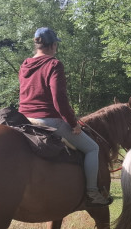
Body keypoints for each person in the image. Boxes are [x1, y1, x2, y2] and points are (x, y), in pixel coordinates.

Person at [19, 27, 110, 207]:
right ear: (53, 45)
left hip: (24, 120)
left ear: (37, 45)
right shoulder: (54, 64)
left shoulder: (25, 64)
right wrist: (73, 123)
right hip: (47, 120)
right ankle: (92, 192)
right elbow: (59, 100)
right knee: (92, 148)